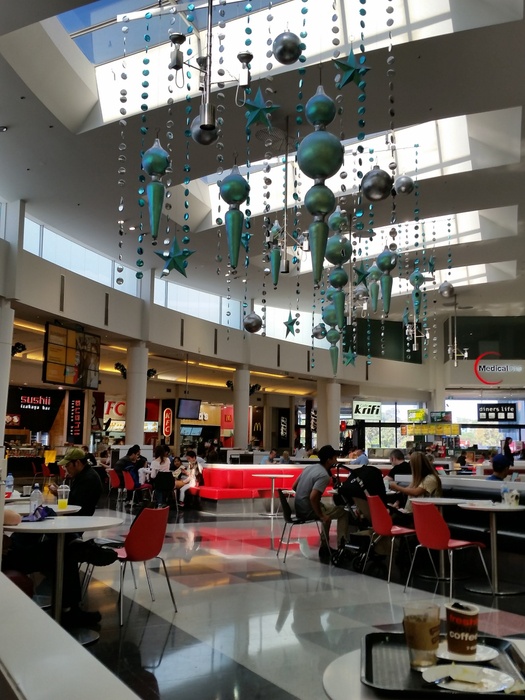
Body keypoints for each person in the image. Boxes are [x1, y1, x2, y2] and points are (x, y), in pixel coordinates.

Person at [3, 447, 117, 628]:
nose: (65, 469)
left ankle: (77, 550)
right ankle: (79, 551)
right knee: (63, 551)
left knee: (59, 546)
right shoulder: (86, 478)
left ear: (77, 463)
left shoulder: (88, 479)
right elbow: (13, 518)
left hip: (10, 551)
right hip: (8, 557)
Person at [292, 444, 349, 563]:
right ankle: (341, 546)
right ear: (329, 460)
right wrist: (321, 516)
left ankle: (325, 545)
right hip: (308, 510)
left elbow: (294, 487)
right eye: (335, 458)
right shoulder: (324, 475)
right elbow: (313, 497)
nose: (336, 460)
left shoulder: (309, 468)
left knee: (328, 509)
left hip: (298, 508)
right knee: (343, 512)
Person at [388, 451, 442, 527]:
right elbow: (407, 490)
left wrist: (396, 487)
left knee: (391, 516)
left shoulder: (431, 478)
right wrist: (397, 502)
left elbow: (415, 492)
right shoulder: (418, 479)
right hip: (411, 513)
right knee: (389, 511)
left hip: (423, 515)